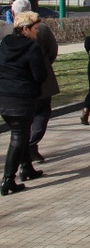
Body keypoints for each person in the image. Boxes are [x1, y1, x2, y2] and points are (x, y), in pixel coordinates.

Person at [0, 0, 59, 163]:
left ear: (13, 12)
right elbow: (52, 51)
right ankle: (29, 147)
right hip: (35, 84)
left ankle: (26, 161)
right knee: (41, 113)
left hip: (12, 86)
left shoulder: (5, 30)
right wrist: (43, 65)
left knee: (22, 127)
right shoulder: (42, 29)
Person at [0, 12, 48, 195]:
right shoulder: (32, 48)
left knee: (21, 134)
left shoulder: (5, 43)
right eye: (35, 29)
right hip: (22, 98)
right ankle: (8, 180)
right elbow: (40, 75)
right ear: (25, 29)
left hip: (4, 96)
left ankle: (27, 168)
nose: (37, 33)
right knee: (19, 138)